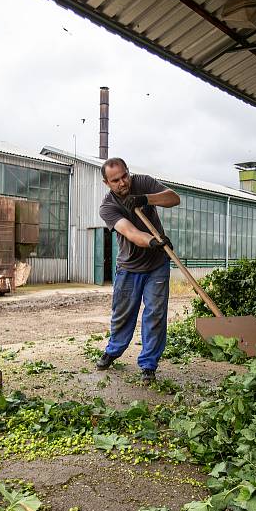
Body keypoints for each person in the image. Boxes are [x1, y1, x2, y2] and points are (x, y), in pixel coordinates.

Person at [96, 158, 180, 384]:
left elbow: (174, 198)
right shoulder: (108, 207)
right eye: (116, 180)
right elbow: (130, 232)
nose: (123, 182)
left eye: (125, 176)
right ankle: (114, 350)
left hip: (157, 266)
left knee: (155, 314)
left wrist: (146, 198)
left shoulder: (142, 183)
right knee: (123, 314)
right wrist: (153, 241)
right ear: (107, 183)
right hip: (129, 267)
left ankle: (148, 365)